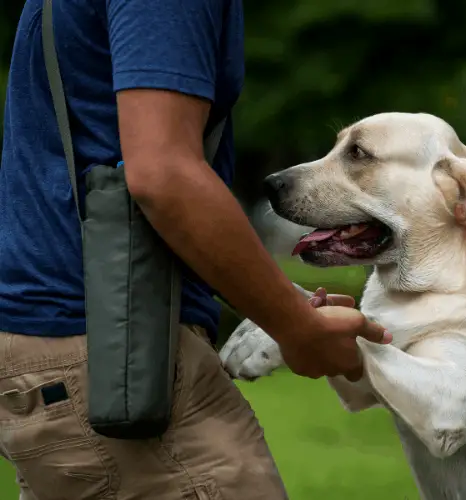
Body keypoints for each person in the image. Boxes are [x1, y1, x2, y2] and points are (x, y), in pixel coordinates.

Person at [0, 0, 389, 498]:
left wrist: (278, 298)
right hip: (110, 350)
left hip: (59, 347)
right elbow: (163, 177)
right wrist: (297, 326)